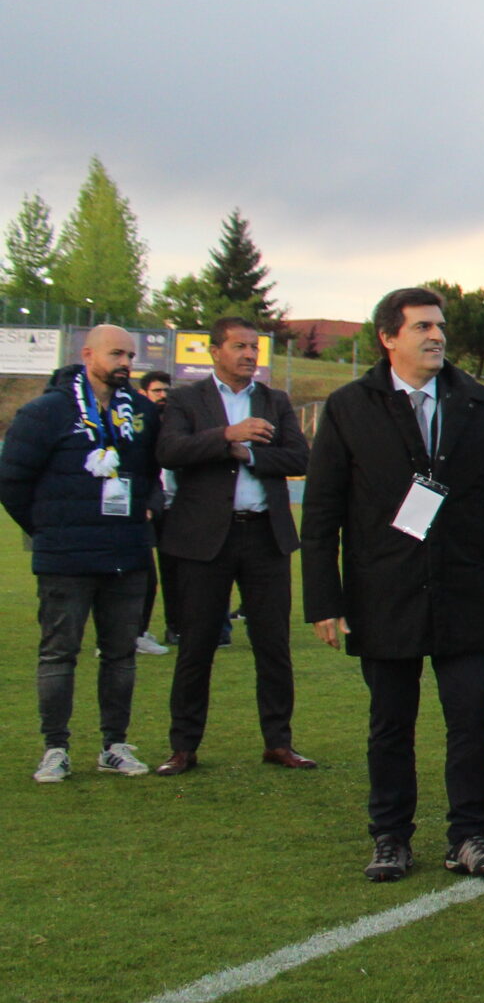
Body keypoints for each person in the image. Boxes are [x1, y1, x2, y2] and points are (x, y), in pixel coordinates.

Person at [301, 287, 484, 882]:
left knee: (470, 718)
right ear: (388, 337)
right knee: (390, 722)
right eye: (423, 326)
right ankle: (390, 836)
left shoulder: (479, 402)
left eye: (441, 326)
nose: (437, 336)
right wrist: (325, 598)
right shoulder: (350, 406)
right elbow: (321, 512)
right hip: (384, 592)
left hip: (466, 591)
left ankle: (470, 834)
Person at [155, 317, 313, 773]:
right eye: (239, 346)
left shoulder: (274, 401)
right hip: (204, 540)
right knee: (197, 645)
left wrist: (251, 453)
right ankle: (183, 746)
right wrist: (227, 436)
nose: (249, 355)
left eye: (254, 348)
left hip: (265, 536)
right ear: (215, 351)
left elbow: (299, 457)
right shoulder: (186, 400)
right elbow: (169, 452)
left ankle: (279, 742)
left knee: (273, 644)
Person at [5, 324, 160, 782]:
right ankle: (56, 747)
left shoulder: (144, 416)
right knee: (59, 654)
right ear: (87, 353)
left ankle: (114, 744)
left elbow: (153, 474)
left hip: (126, 554)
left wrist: (147, 508)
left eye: (131, 356)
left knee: (120, 655)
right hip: (65, 558)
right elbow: (12, 481)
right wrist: (47, 529)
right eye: (117, 354)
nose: (126, 364)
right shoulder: (45, 412)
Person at [132, 369, 173, 656]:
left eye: (166, 391)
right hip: (146, 508)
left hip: (174, 509)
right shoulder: (137, 423)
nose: (163, 396)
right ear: (144, 392)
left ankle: (176, 628)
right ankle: (130, 634)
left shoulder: (175, 422)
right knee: (143, 576)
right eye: (157, 391)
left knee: (176, 575)